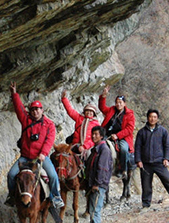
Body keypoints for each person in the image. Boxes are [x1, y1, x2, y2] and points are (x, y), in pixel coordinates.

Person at [6, 82, 65, 213]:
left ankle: (56, 197)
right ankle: (11, 196)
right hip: (25, 157)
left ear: (42, 110)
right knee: (11, 175)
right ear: (30, 111)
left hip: (41, 158)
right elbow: (19, 108)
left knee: (53, 176)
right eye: (33, 109)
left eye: (38, 109)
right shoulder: (26, 120)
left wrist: (43, 153)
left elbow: (49, 141)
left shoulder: (49, 124)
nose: (35, 111)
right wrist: (14, 93)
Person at [134, 109, 169, 209]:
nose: (152, 119)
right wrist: (138, 160)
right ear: (147, 118)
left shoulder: (163, 131)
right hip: (146, 163)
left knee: (168, 181)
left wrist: (166, 159)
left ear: (157, 118)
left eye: (155, 117)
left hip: (159, 162)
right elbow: (137, 147)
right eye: (151, 117)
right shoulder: (142, 132)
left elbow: (167, 146)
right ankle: (145, 205)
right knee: (146, 185)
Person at [98, 85, 136, 198]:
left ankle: (122, 170)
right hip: (107, 135)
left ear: (124, 103)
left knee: (124, 149)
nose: (118, 104)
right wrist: (103, 96)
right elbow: (102, 107)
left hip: (122, 137)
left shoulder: (130, 114)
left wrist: (118, 136)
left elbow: (129, 129)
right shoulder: (111, 110)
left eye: (120, 102)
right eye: (117, 102)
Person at [83, 126, 113, 223]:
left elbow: (102, 168)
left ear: (101, 136)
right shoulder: (96, 149)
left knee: (95, 209)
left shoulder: (104, 150)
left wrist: (97, 184)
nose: (94, 136)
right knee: (92, 208)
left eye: (96, 134)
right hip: (93, 184)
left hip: (98, 185)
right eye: (92, 134)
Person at [61, 90, 101, 156]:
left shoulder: (96, 124)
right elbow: (70, 111)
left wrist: (85, 147)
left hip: (88, 147)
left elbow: (95, 139)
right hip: (75, 144)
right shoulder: (79, 118)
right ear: (84, 112)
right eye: (87, 111)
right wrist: (64, 99)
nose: (89, 113)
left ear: (94, 114)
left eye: (91, 111)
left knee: (89, 158)